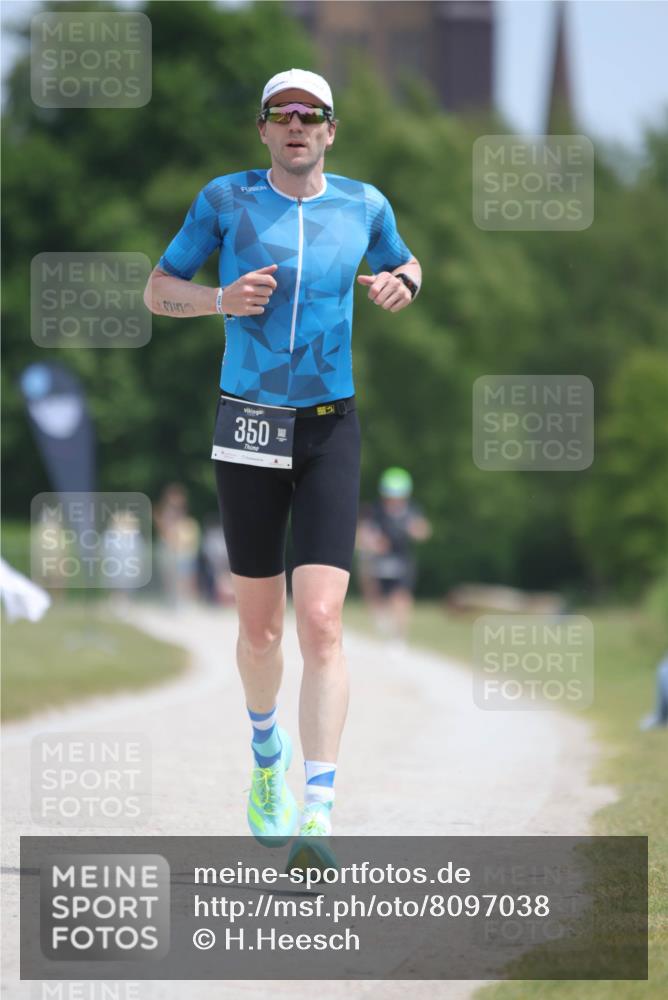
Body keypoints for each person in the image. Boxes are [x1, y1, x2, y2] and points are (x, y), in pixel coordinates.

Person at [144, 68, 422, 859]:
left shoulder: (364, 205)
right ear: (263, 128)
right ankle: (267, 756)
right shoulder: (226, 201)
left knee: (323, 623)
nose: (297, 125)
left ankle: (318, 813)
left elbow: (409, 263)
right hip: (250, 421)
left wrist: (403, 282)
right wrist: (218, 302)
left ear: (332, 130)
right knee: (261, 630)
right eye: (281, 114)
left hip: (331, 426)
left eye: (312, 115)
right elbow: (158, 290)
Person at [357, 467, 431, 650]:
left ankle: (399, 638)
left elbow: (423, 531)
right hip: (378, 560)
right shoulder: (373, 510)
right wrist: (372, 543)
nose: (393, 501)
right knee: (368, 580)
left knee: (401, 597)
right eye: (390, 496)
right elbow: (361, 536)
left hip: (401, 559)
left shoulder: (412, 511)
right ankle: (379, 617)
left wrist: (416, 530)